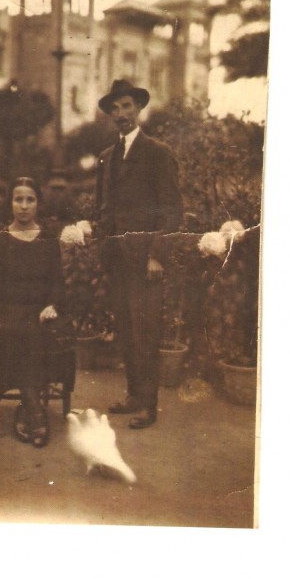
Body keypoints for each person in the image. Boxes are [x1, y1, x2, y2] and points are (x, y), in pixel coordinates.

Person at [96, 80, 183, 429]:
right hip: (117, 259)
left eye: (127, 106)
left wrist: (157, 254)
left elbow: (172, 210)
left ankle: (148, 405)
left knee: (146, 331)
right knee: (126, 330)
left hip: (146, 260)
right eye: (115, 109)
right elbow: (103, 206)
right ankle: (134, 395)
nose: (121, 114)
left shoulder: (157, 153)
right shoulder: (107, 157)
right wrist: (101, 244)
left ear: (139, 108)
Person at [0, 177, 68, 448]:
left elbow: (57, 281)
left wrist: (52, 304)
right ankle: (34, 408)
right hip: (6, 310)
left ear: (38, 204)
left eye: (30, 200)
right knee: (11, 330)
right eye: (18, 199)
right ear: (10, 203)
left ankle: (30, 406)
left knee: (33, 331)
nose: (24, 206)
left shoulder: (47, 239)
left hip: (39, 311)